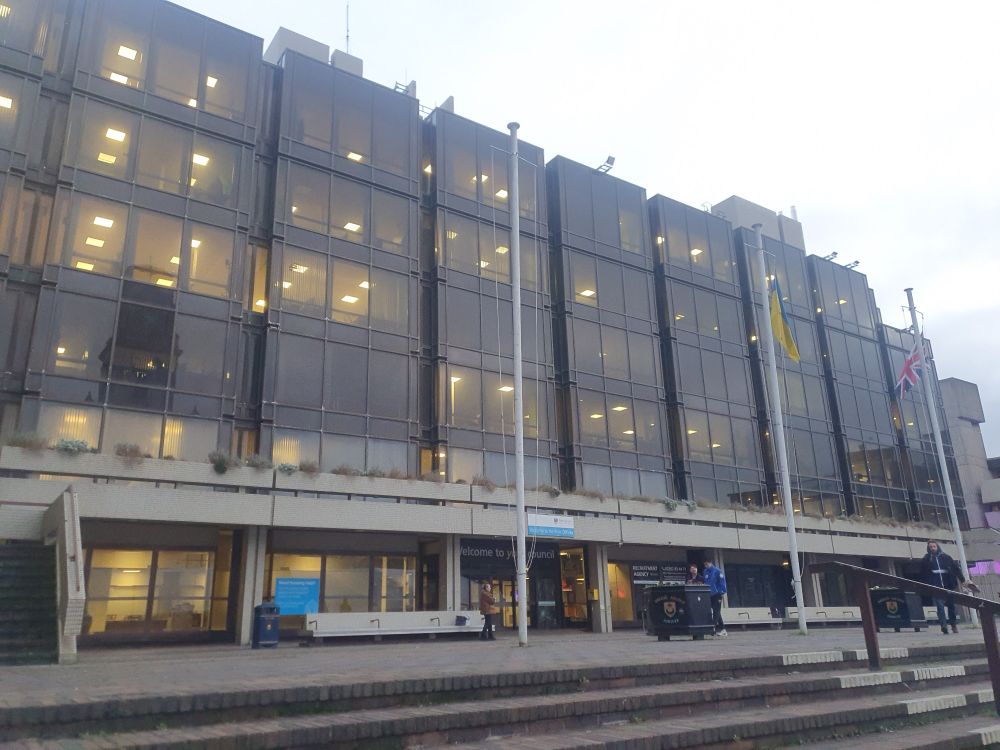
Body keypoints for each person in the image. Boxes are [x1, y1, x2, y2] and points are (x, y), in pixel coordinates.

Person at [920, 540, 965, 634]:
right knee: (940, 606)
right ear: (928, 548)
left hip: (948, 585)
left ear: (937, 547)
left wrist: (963, 580)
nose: (932, 548)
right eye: (931, 547)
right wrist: (927, 584)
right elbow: (923, 573)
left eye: (934, 546)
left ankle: (953, 625)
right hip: (936, 586)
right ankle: (943, 626)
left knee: (951, 606)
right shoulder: (926, 559)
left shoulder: (946, 557)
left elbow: (956, 569)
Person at [703, 559, 728, 637]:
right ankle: (723, 629)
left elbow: (722, 582)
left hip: (717, 594)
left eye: (707, 564)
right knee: (716, 611)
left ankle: (712, 627)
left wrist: (721, 592)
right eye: (705, 565)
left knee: (716, 611)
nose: (706, 566)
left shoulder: (717, 571)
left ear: (710, 563)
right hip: (709, 594)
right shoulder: (705, 571)